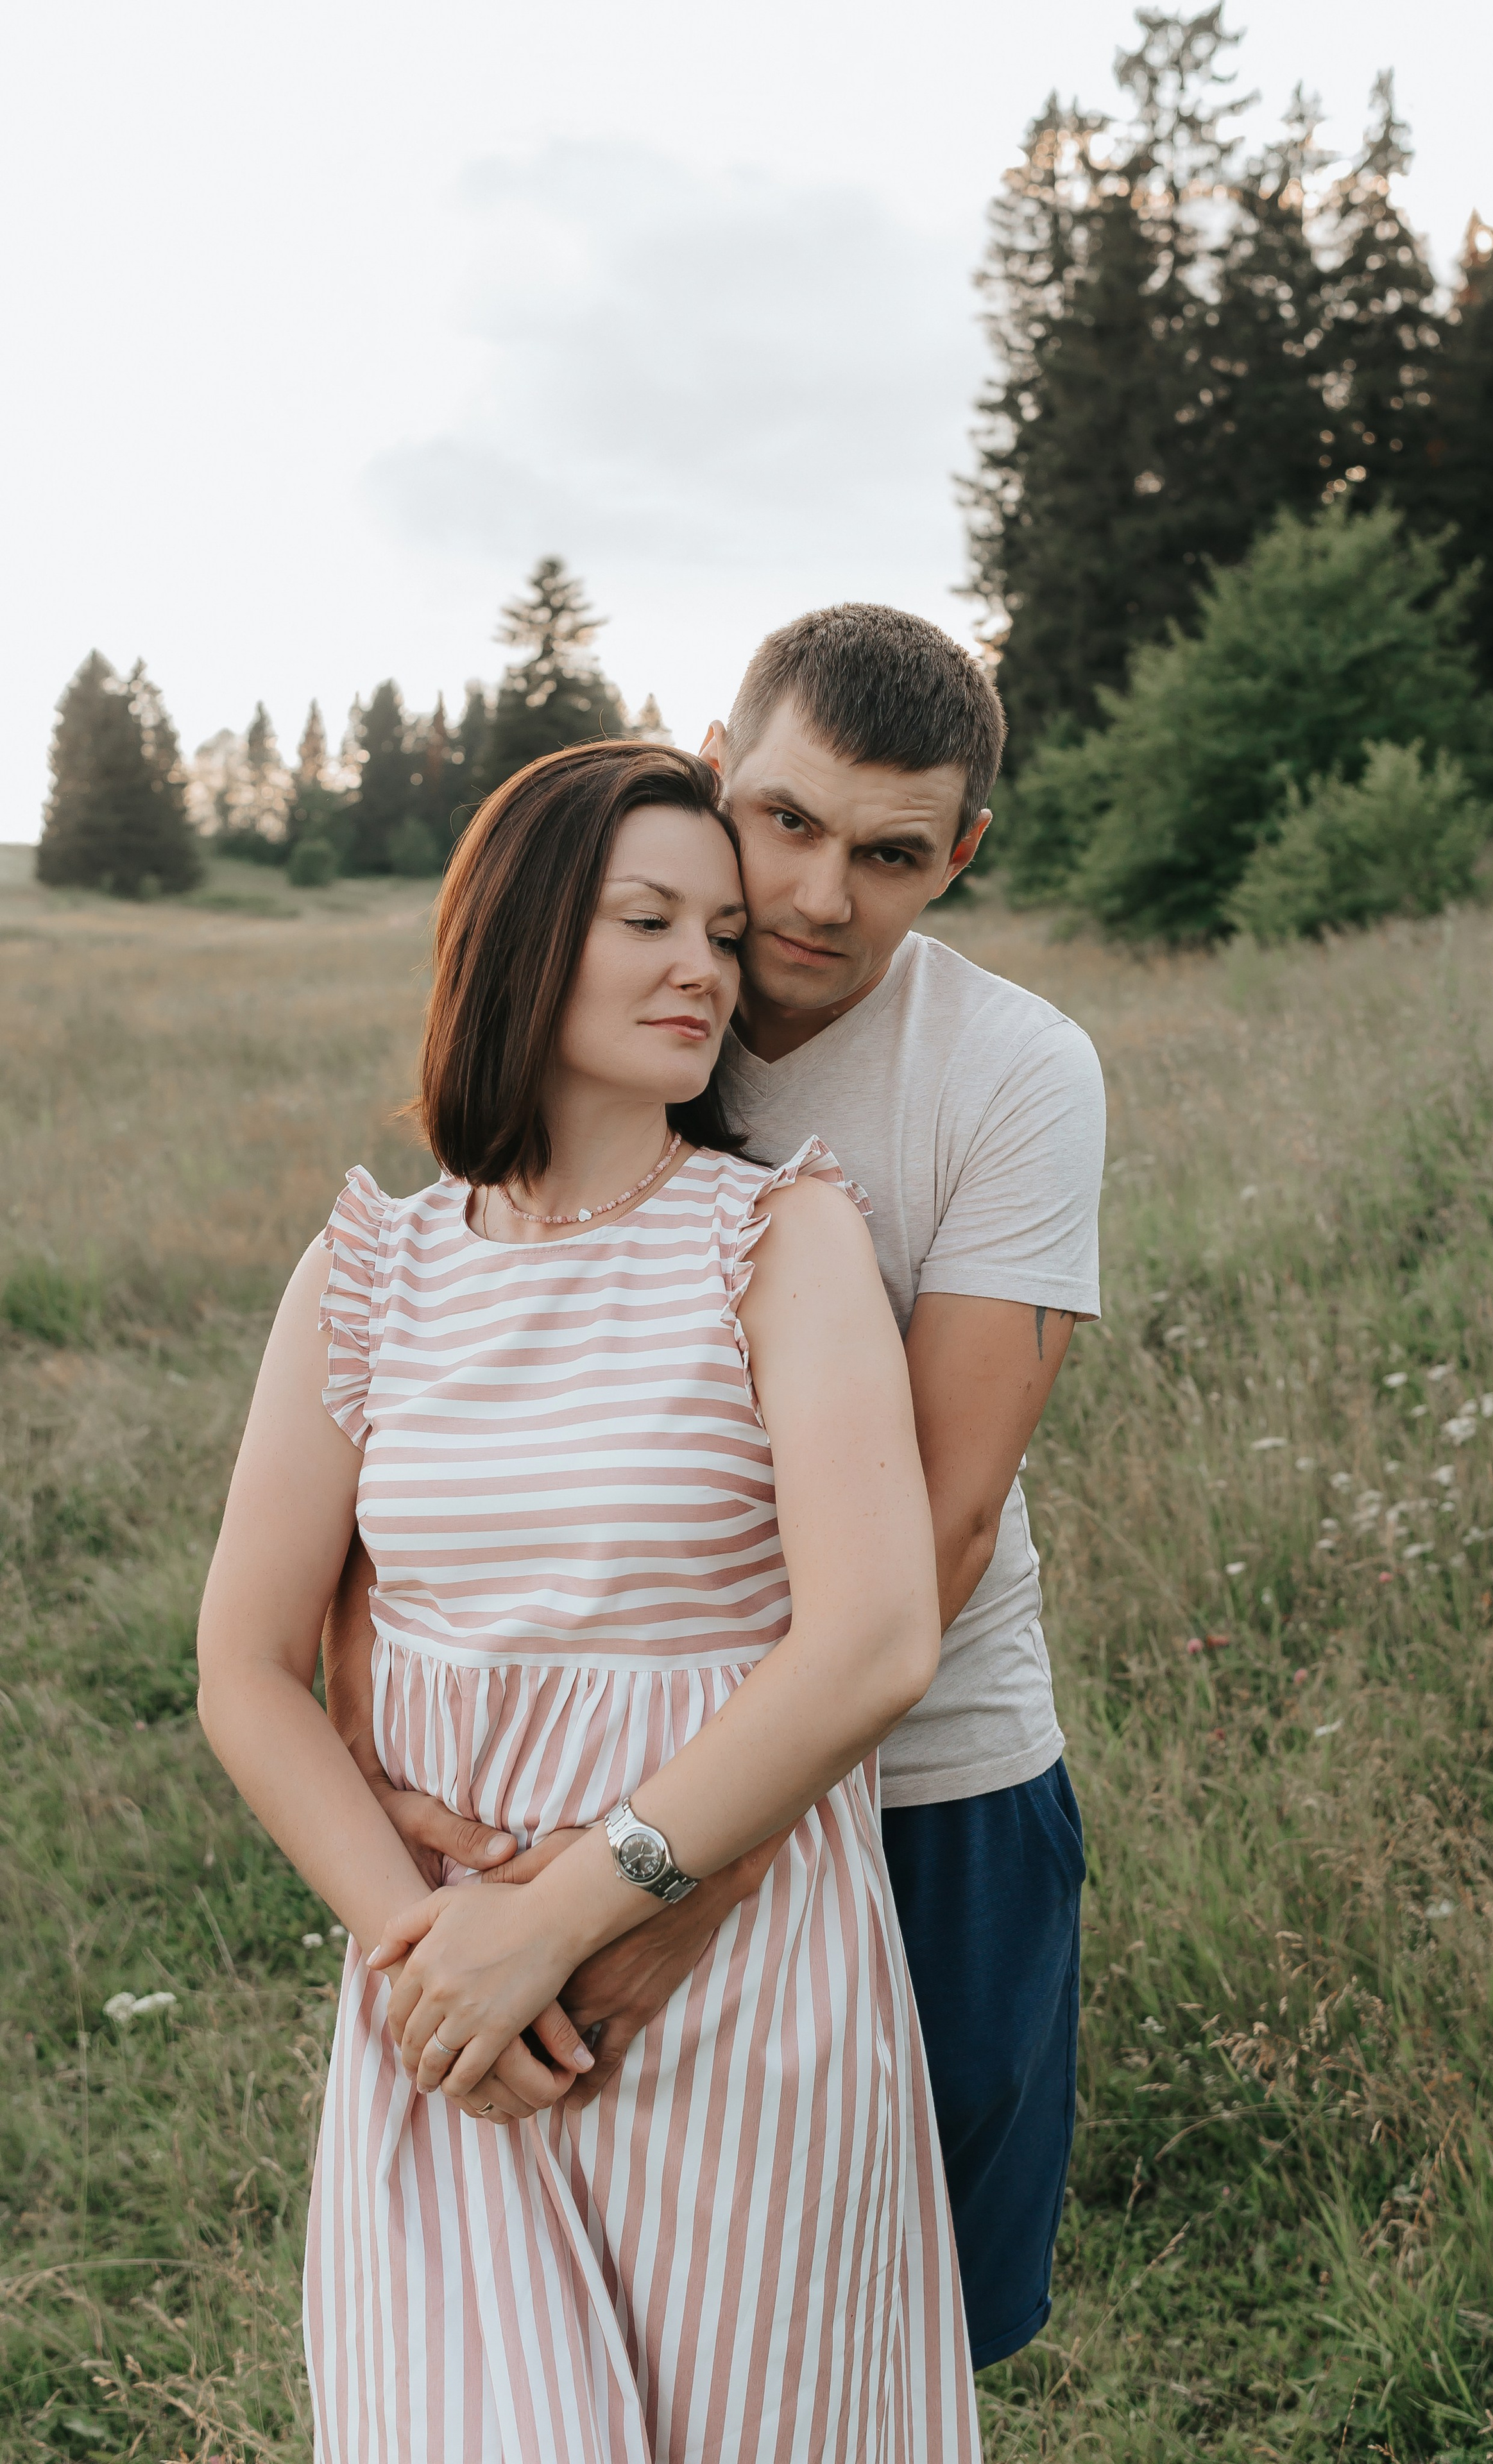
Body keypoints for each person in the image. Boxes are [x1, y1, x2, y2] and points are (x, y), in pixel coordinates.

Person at [327, 604, 1106, 2368]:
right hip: (562, 1818)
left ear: (960, 857)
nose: (823, 897)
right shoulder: (638, 993)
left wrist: (685, 1882)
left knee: (901, 2329)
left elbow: (950, 1523)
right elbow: (452, 1367)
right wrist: (386, 1748)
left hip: (922, 1793)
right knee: (604, 2328)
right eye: (790, 822)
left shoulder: (1011, 1074)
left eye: (893, 853)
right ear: (713, 768)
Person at [196, 739, 980, 2463]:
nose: (705, 966)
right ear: (523, 936)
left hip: (734, 1991)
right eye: (649, 920)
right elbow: (244, 1667)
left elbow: (873, 1635)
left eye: (722, 930)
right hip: (445, 2005)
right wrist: (430, 1952)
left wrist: (568, 1921)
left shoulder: (778, 1235)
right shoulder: (373, 1268)